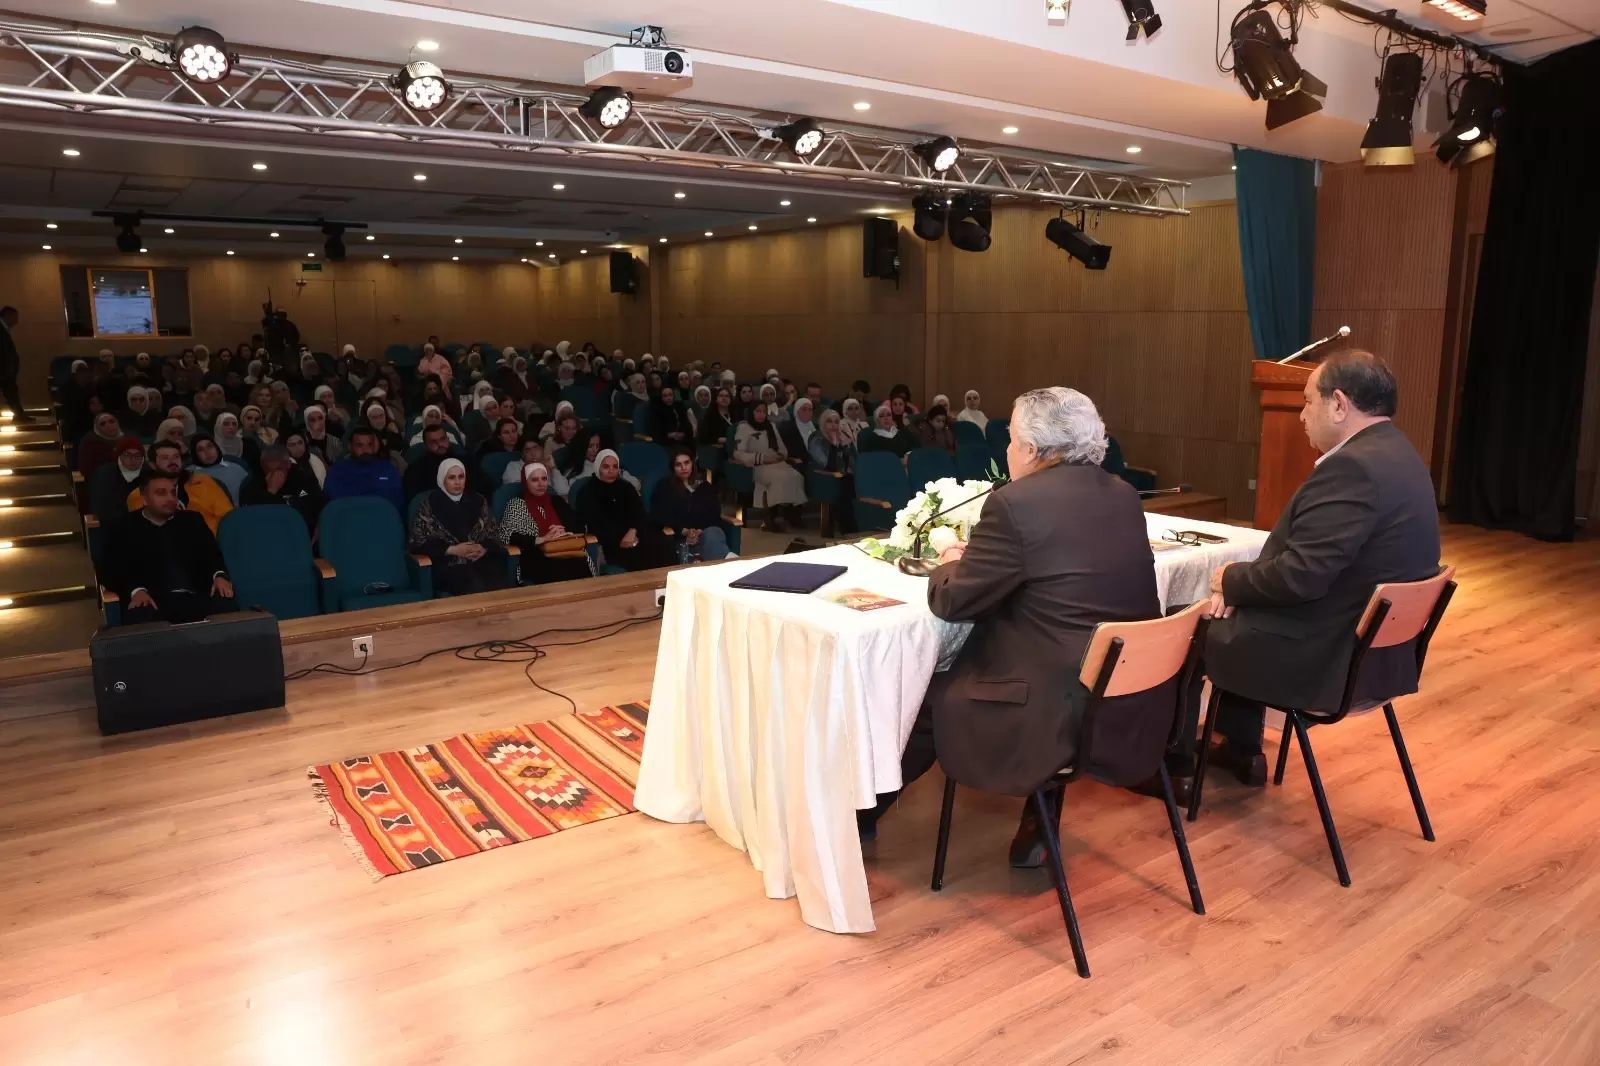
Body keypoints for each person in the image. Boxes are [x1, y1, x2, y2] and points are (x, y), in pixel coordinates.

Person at [856, 387, 1161, 868]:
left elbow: (953, 601)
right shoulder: (1123, 495)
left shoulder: (1017, 503)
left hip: (1048, 713)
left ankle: (861, 815)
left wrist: (949, 558)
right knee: (1053, 655)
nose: (1008, 449)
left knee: (926, 687)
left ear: (1033, 450)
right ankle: (1040, 820)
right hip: (1123, 699)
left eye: (1012, 440)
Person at [1198, 350, 1442, 786]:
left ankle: (1174, 764)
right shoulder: (1402, 454)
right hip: (1379, 655)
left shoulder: (1354, 468)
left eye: (1308, 401)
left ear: (1339, 404)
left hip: (1327, 659)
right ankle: (1240, 749)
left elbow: (1300, 576)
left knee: (1187, 625)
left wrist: (1230, 579)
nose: (1302, 415)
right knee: (1237, 608)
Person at [100, 469, 238, 625]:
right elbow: (110, 570)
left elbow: (213, 555)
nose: (170, 498)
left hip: (196, 595)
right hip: (152, 599)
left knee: (228, 606)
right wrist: (135, 591)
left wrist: (219, 576)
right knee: (140, 617)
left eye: (173, 492)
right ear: (144, 499)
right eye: (161, 493)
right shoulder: (123, 527)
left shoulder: (192, 520)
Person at [409, 458, 511, 596]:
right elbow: (418, 541)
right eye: (452, 477)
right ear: (442, 480)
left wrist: (483, 547)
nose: (457, 482)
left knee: (500, 583)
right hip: (448, 564)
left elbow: (493, 532)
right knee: (474, 584)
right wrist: (452, 549)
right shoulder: (429, 504)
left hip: (480, 560)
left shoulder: (478, 500)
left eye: (461, 477)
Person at [498, 462, 593, 584]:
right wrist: (542, 539)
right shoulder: (516, 504)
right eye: (534, 480)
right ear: (526, 482)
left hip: (564, 549)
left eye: (544, 479)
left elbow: (579, 525)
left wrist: (564, 531)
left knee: (579, 563)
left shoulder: (556, 501)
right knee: (558, 568)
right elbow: (507, 536)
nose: (541, 484)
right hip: (534, 555)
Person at [576, 450, 670, 571]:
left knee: (661, 540)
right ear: (597, 467)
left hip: (634, 535)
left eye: (615, 467)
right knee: (641, 554)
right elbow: (595, 524)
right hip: (610, 542)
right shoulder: (587, 492)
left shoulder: (626, 487)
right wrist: (624, 536)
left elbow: (639, 513)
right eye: (606, 467)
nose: (611, 471)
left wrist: (633, 530)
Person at [127, 440, 234, 534]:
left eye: (176, 457)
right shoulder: (141, 494)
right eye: (165, 458)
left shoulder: (204, 481)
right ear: (153, 465)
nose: (172, 461)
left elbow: (227, 517)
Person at [733, 402, 807, 533]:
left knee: (796, 476)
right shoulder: (744, 428)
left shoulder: (771, 426)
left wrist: (780, 456)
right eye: (758, 411)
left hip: (776, 463)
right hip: (758, 465)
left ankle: (793, 514)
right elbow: (738, 453)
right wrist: (762, 458)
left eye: (763, 412)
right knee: (778, 478)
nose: (761, 415)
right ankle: (769, 519)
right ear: (751, 412)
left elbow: (782, 448)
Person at [651, 449, 733, 563]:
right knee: (716, 547)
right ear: (672, 467)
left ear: (692, 464)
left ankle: (724, 561)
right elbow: (660, 515)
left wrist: (699, 531)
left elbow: (714, 514)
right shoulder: (664, 487)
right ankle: (729, 561)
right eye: (678, 465)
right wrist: (684, 531)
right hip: (680, 539)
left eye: (687, 463)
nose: (683, 468)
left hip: (705, 536)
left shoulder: (705, 486)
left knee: (713, 533)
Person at [240, 443, 326, 533]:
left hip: (303, 532)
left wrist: (320, 525)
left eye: (278, 469)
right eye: (268, 470)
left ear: (288, 464)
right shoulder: (253, 484)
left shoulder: (303, 478)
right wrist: (271, 492)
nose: (274, 475)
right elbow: (252, 518)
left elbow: (320, 503)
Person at [323, 426, 405, 515]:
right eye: (359, 445)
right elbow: (333, 508)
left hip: (382, 519)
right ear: (350, 447)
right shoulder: (337, 472)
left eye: (370, 445)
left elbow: (398, 505)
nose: (366, 450)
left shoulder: (388, 470)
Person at [809, 408, 858, 536]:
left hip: (844, 476)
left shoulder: (842, 437)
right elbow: (827, 465)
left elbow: (853, 463)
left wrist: (847, 447)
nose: (833, 425)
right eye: (829, 421)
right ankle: (849, 529)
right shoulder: (817, 439)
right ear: (822, 423)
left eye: (836, 422)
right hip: (823, 477)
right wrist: (834, 446)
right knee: (846, 485)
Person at [89, 436, 148, 524]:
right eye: (127, 455)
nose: (133, 459)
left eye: (137, 455)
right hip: (113, 524)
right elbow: (101, 509)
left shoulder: (149, 473)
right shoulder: (104, 475)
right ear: (119, 456)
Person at [188, 434, 250, 503]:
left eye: (210, 446)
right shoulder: (189, 474)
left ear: (216, 447)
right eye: (200, 450)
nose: (207, 452)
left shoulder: (236, 467)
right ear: (195, 455)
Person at [404, 423, 457, 500]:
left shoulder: (464, 462)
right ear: (426, 445)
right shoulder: (416, 469)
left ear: (448, 439)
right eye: (433, 442)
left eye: (442, 439)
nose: (440, 444)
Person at [78, 411, 124, 479]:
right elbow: (86, 470)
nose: (108, 425)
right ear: (97, 428)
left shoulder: (128, 437)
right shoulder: (91, 442)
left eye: (111, 421)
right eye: (103, 424)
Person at [0, 305, 27, 421]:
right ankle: (19, 415)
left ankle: (19, 414)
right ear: (7, 316)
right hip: (3, 369)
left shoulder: (5, 329)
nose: (16, 320)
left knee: (11, 392)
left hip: (6, 369)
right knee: (11, 391)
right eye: (15, 317)